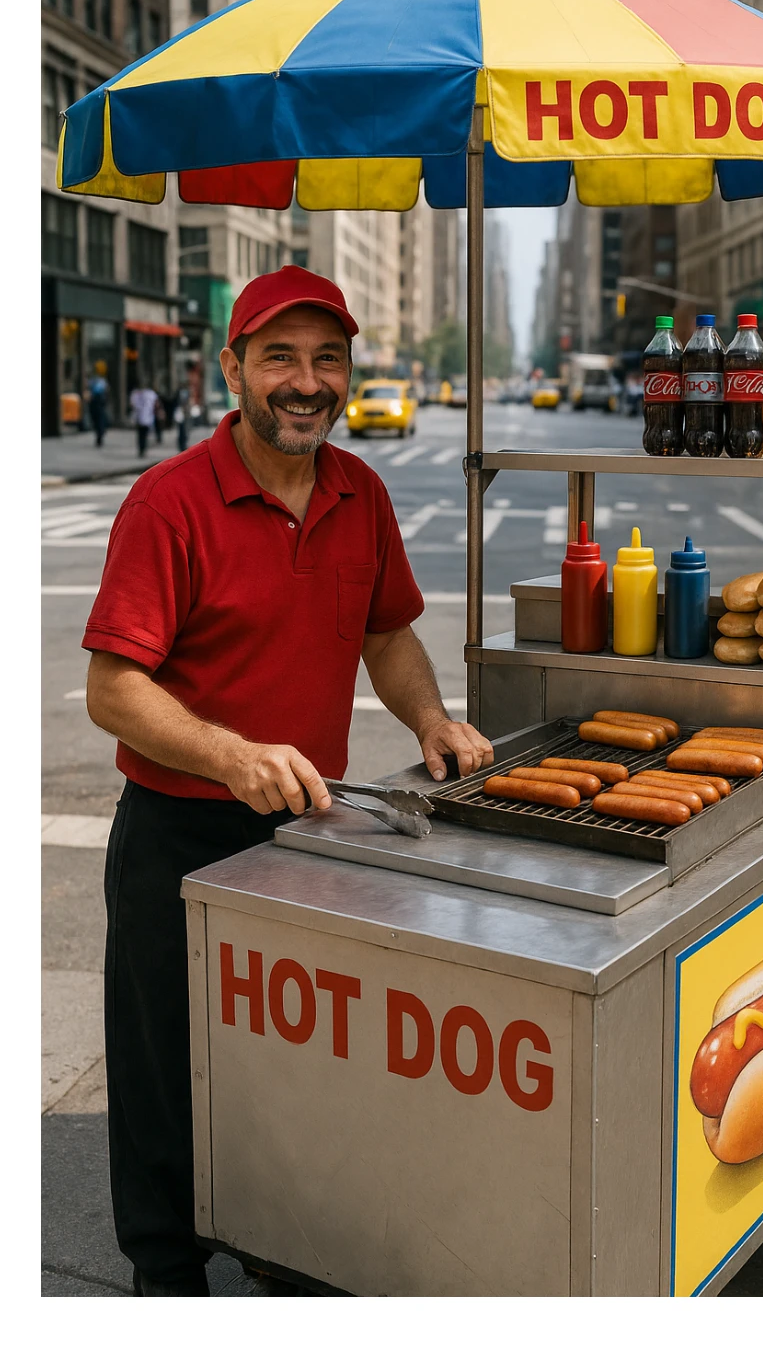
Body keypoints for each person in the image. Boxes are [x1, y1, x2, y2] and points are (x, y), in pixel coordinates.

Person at [82, 266, 493, 1297]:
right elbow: (113, 690)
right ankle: (167, 1274)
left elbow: (386, 634)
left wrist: (432, 719)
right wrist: (233, 755)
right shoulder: (169, 501)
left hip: (309, 842)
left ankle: (286, 1245)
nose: (306, 382)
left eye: (327, 360)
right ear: (233, 369)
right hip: (179, 836)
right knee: (166, 1072)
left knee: (296, 1069)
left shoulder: (362, 492)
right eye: (279, 358)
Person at [129, 381, 159, 458]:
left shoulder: (135, 393)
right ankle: (143, 449)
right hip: (147, 417)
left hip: (140, 417)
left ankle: (141, 449)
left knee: (140, 435)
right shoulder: (151, 394)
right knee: (145, 435)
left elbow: (132, 404)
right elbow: (156, 404)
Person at [88, 361, 111, 448]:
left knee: (99, 419)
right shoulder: (94, 381)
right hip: (96, 402)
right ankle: (100, 433)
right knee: (97, 419)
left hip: (99, 402)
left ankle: (100, 434)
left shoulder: (100, 381)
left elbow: (105, 391)